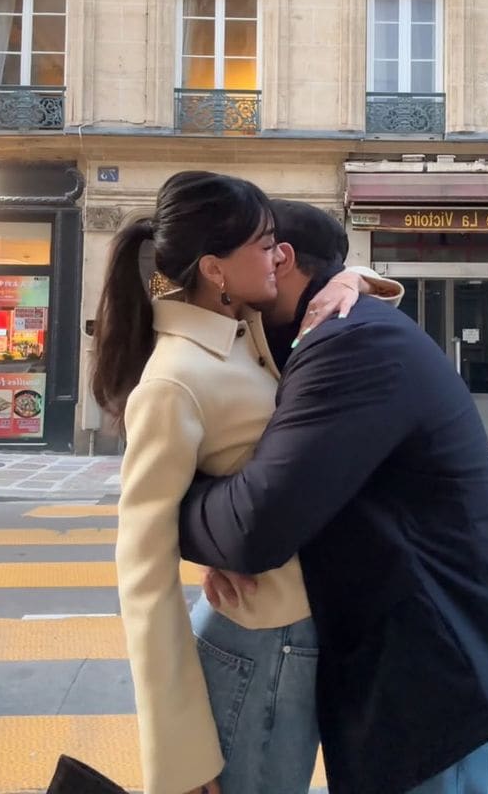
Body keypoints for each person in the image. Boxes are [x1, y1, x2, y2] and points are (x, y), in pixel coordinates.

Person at [178, 199, 488, 794]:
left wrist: (166, 504)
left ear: (282, 258)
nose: (222, 290)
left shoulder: (349, 343)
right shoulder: (332, 333)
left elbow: (255, 528)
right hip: (426, 674)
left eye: (233, 261)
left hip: (443, 687)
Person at [88, 171, 399, 794]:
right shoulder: (175, 379)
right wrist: (178, 748)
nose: (277, 255)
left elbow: (362, 308)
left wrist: (348, 279)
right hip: (262, 647)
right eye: (263, 244)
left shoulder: (244, 331)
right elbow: (141, 571)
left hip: (288, 638)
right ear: (215, 269)